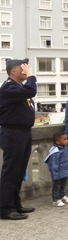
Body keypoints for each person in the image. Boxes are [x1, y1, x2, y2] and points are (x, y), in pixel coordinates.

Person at [0, 59, 37, 220]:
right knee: (11, 172)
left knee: (19, 171)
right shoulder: (8, 87)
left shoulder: (17, 88)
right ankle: (6, 209)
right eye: (23, 69)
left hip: (22, 133)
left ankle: (15, 204)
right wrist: (32, 77)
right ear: (14, 72)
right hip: (13, 133)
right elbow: (31, 91)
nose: (27, 70)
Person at [44, 133, 68, 207]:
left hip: (64, 171)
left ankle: (62, 195)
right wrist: (55, 173)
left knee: (63, 185)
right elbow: (53, 164)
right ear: (58, 142)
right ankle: (56, 199)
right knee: (57, 186)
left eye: (67, 139)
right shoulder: (55, 151)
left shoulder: (64, 148)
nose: (67, 141)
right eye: (65, 139)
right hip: (58, 172)